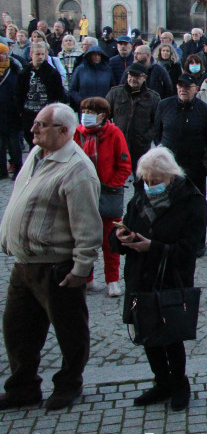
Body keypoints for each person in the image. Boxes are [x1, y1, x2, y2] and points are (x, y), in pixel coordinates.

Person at [0, 103, 101, 411]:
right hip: (24, 263)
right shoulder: (36, 155)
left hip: (57, 265)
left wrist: (82, 268)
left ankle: (69, 383)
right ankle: (23, 387)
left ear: (63, 131)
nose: (33, 129)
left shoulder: (77, 169)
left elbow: (87, 225)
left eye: (41, 125)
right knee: (17, 328)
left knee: (69, 329)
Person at [109, 147, 205, 411]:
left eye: (155, 181)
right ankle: (162, 382)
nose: (150, 185)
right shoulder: (140, 195)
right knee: (146, 331)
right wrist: (120, 238)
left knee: (170, 334)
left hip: (170, 277)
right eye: (147, 180)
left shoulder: (191, 199)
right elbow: (123, 228)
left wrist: (154, 246)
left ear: (171, 177)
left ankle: (179, 384)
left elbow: (191, 247)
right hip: (140, 275)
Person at [73, 97, 131, 296]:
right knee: (84, 239)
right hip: (82, 194)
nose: (86, 116)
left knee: (110, 239)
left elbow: (124, 165)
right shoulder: (77, 134)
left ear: (102, 115)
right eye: (84, 111)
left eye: (91, 112)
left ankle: (112, 280)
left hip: (107, 194)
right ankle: (86, 278)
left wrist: (110, 186)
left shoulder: (114, 133)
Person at [154, 73, 207, 204]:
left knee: (195, 202)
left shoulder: (205, 110)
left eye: (187, 87)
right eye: (180, 86)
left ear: (196, 89)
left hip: (195, 167)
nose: (183, 89)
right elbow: (157, 133)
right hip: (170, 166)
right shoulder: (164, 105)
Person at [17, 43, 67, 146]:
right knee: (31, 142)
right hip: (28, 114)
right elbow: (18, 93)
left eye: (42, 54)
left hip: (45, 113)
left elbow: (58, 94)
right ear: (31, 54)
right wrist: (20, 111)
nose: (40, 57)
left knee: (46, 142)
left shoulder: (52, 73)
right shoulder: (24, 72)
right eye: (37, 54)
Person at [68, 45, 115, 111]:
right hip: (85, 108)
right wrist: (81, 101)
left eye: (99, 55)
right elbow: (72, 89)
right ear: (89, 56)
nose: (97, 57)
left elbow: (113, 88)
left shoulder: (108, 70)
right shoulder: (80, 69)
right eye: (94, 55)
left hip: (103, 107)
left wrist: (108, 102)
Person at [0, 43, 22, 177]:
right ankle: (1, 171)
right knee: (0, 146)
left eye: (6, 53)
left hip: (12, 114)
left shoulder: (15, 71)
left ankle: (18, 170)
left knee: (14, 145)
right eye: (2, 54)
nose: (5, 56)